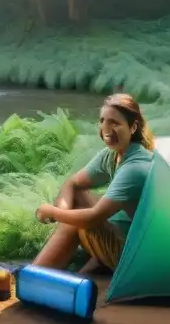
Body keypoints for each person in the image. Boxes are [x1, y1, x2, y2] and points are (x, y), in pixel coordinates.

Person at [32, 93, 155, 274]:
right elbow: (72, 183)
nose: (106, 128)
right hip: (124, 236)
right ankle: (73, 264)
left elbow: (93, 218)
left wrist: (54, 213)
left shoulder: (135, 167)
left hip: (136, 258)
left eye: (114, 123)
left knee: (76, 220)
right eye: (102, 120)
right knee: (77, 199)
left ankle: (36, 274)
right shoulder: (113, 154)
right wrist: (64, 212)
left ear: (133, 127)